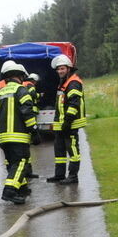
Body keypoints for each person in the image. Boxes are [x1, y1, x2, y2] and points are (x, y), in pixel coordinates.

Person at [0, 60, 41, 204]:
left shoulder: (0, 93)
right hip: (18, 135)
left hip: (4, 137)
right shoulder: (21, 90)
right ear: (20, 76)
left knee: (13, 163)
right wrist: (34, 131)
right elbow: (27, 112)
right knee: (20, 163)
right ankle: (10, 191)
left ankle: (22, 188)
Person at [47, 54, 87, 185]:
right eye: (58, 69)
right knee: (59, 151)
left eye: (62, 68)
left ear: (68, 68)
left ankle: (73, 176)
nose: (59, 71)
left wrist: (67, 122)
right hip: (61, 124)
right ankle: (59, 175)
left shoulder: (73, 83)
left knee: (73, 150)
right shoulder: (63, 82)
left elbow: (73, 104)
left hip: (70, 124)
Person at [22, 73, 41, 179]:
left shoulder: (22, 84)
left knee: (26, 145)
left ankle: (28, 171)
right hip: (30, 112)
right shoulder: (30, 85)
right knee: (26, 144)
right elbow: (33, 95)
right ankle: (27, 171)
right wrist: (39, 95)